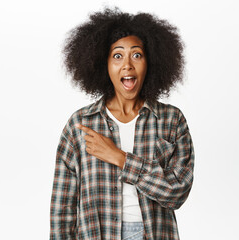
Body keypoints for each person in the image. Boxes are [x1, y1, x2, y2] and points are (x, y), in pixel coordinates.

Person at [50, 7, 194, 240]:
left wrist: (120, 158)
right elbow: (62, 209)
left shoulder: (171, 120)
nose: (127, 64)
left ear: (151, 62)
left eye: (137, 55)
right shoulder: (80, 125)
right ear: (102, 63)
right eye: (117, 55)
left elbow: (177, 192)